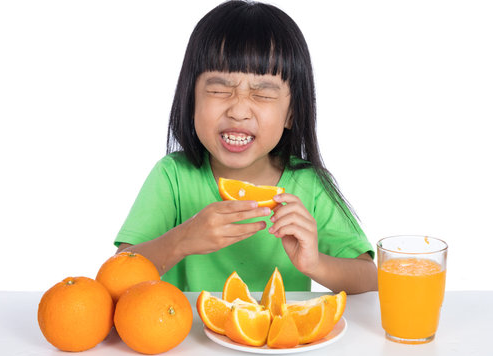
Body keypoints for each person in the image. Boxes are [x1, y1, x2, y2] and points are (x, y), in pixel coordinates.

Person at [114, 0, 378, 294]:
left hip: (279, 338)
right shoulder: (172, 177)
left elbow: (370, 279)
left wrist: (315, 264)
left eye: (263, 94)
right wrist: (182, 240)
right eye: (218, 90)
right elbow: (119, 275)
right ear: (191, 101)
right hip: (185, 337)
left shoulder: (310, 184)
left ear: (292, 113)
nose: (239, 111)